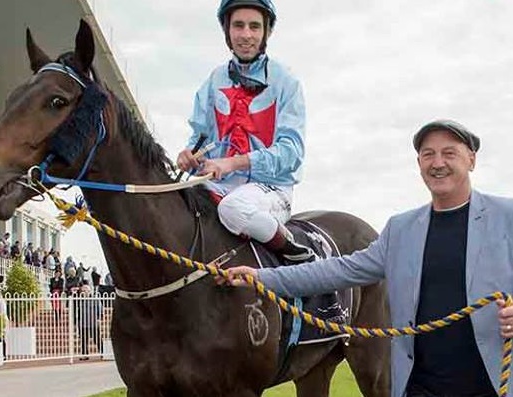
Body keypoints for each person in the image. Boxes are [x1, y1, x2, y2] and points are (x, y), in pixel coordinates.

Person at [224, 120, 513, 397]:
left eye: (449, 153)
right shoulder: (401, 229)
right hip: (420, 388)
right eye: (428, 155)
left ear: (471, 160)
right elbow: (335, 271)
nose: (438, 163)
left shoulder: (506, 217)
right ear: (419, 164)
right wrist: (261, 277)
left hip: (491, 385)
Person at [176, 0, 314, 262]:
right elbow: (199, 140)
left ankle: (298, 256)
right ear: (227, 31)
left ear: (266, 32)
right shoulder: (213, 81)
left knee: (233, 208)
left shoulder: (287, 82)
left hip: (270, 189)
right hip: (217, 186)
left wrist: (234, 163)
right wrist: (189, 156)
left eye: (254, 27)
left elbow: (291, 153)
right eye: (238, 26)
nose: (246, 35)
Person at [74, 284, 103, 360]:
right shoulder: (79, 300)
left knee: (97, 339)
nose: (84, 292)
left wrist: (99, 318)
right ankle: (85, 354)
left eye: (85, 290)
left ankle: (103, 352)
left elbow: (100, 310)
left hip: (93, 322)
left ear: (90, 291)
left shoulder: (95, 299)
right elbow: (77, 311)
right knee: (83, 340)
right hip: (83, 323)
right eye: (82, 291)